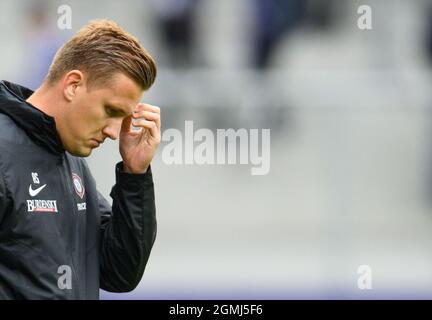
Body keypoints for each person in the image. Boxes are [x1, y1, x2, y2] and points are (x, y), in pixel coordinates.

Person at [0, 19, 160, 299]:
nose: (113, 132)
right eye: (110, 110)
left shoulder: (72, 163)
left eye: (122, 118)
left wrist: (135, 175)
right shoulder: (5, 151)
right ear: (73, 84)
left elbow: (118, 272)